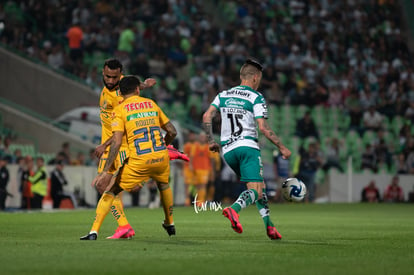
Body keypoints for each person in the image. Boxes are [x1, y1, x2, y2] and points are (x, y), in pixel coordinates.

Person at [93, 58, 187, 239]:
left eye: (114, 78)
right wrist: (145, 84)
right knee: (106, 186)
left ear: (120, 75)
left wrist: (104, 144)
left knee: (109, 186)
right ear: (103, 73)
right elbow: (134, 85)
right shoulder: (121, 84)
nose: (110, 81)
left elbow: (124, 128)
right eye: (107, 77)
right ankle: (124, 226)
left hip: (120, 145)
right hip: (115, 145)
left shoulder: (120, 98)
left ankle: (123, 226)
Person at [202, 58, 291, 240]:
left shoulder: (224, 94)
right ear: (255, 78)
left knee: (259, 187)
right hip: (248, 147)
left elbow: (207, 115)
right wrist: (282, 147)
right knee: (256, 190)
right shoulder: (255, 97)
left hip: (228, 151)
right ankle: (234, 210)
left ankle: (270, 226)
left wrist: (211, 140)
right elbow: (264, 128)